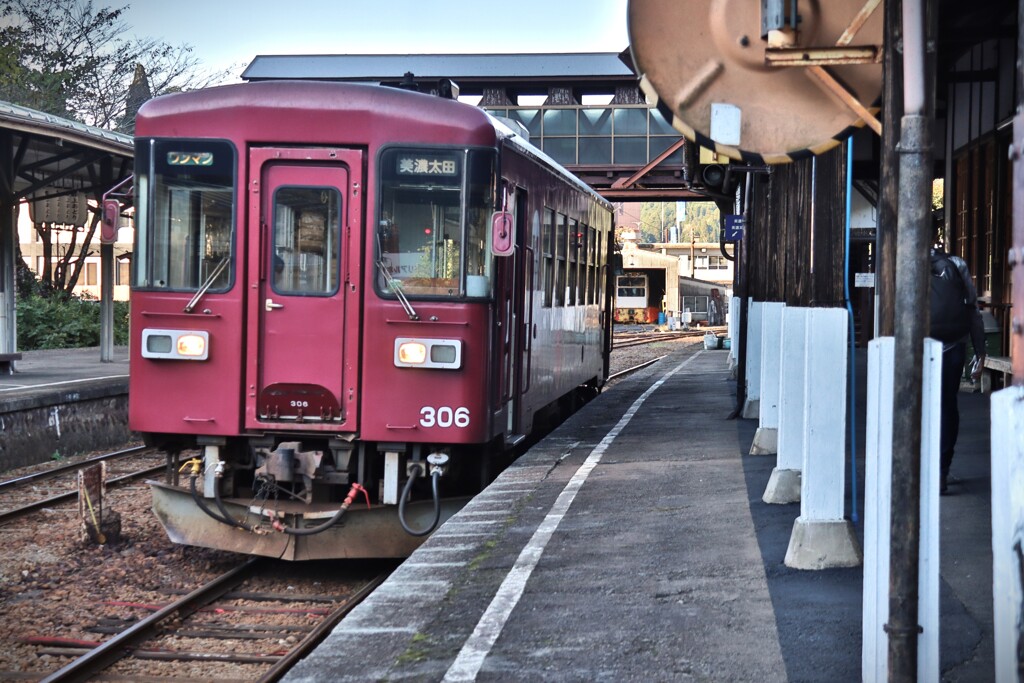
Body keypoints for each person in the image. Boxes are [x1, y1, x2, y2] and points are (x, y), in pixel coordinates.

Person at [929, 229, 986, 494]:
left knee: (917, 406)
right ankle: (941, 470)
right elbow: (972, 308)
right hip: (953, 347)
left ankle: (920, 467)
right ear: (935, 234)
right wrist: (980, 350)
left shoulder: (901, 262)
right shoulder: (956, 264)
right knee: (946, 406)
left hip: (917, 348)